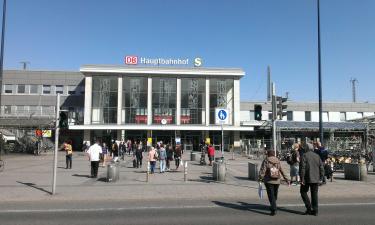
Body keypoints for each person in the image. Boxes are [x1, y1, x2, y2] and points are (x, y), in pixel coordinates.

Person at [259, 149, 289, 216]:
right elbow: (281, 170)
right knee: (275, 194)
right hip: (277, 180)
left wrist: (260, 178)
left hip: (269, 180)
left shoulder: (266, 160)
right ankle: (273, 204)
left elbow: (263, 170)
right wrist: (287, 179)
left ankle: (273, 209)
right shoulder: (277, 160)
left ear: (268, 154)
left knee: (271, 195)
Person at [300, 142, 324, 216]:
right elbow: (321, 167)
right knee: (314, 194)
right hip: (316, 178)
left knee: (303, 192)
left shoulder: (304, 155)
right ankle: (315, 210)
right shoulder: (317, 156)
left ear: (307, 148)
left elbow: (302, 168)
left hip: (306, 178)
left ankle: (308, 208)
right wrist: (321, 177)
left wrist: (302, 178)